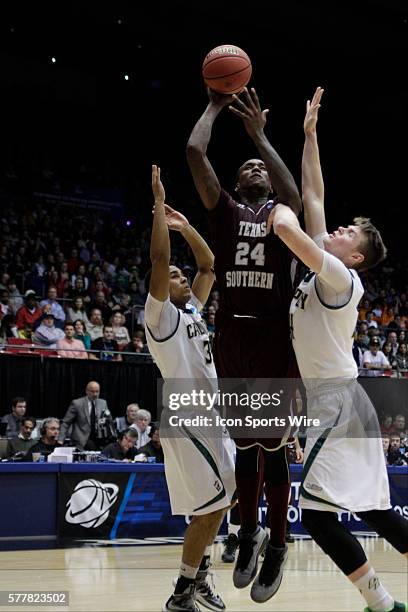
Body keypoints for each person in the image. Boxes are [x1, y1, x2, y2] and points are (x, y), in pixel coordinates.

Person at [270, 87, 407, 612]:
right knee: (374, 511)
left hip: (339, 404)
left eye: (347, 232)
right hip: (341, 402)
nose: (337, 228)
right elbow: (315, 197)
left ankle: (381, 604)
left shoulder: (338, 277)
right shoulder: (329, 270)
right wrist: (309, 136)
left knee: (318, 515)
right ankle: (383, 604)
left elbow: (290, 225)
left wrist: (276, 212)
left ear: (355, 256)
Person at [187, 87, 302, 600]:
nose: (257, 169)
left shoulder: (282, 215)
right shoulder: (226, 212)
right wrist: (214, 105)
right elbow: (194, 153)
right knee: (245, 446)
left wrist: (260, 134)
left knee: (273, 447)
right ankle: (248, 530)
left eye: (263, 166)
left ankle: (277, 542)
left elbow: (295, 195)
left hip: (275, 336)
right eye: (249, 165)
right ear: (236, 181)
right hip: (233, 332)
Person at [145, 166, 235, 612]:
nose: (181, 276)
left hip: (210, 415)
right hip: (187, 413)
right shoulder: (159, 318)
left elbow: (209, 264)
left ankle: (199, 579)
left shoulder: (193, 310)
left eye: (182, 278)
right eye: (174, 278)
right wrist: (160, 208)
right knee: (214, 502)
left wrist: (186, 226)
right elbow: (161, 261)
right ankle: (183, 591)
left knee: (217, 501)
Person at [58, 381, 115, 450]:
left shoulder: (103, 403)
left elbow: (109, 421)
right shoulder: (77, 404)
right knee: (91, 446)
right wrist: (60, 439)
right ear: (87, 391)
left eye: (97, 391)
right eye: (92, 391)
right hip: (82, 438)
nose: (95, 394)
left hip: (99, 438)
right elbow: (66, 422)